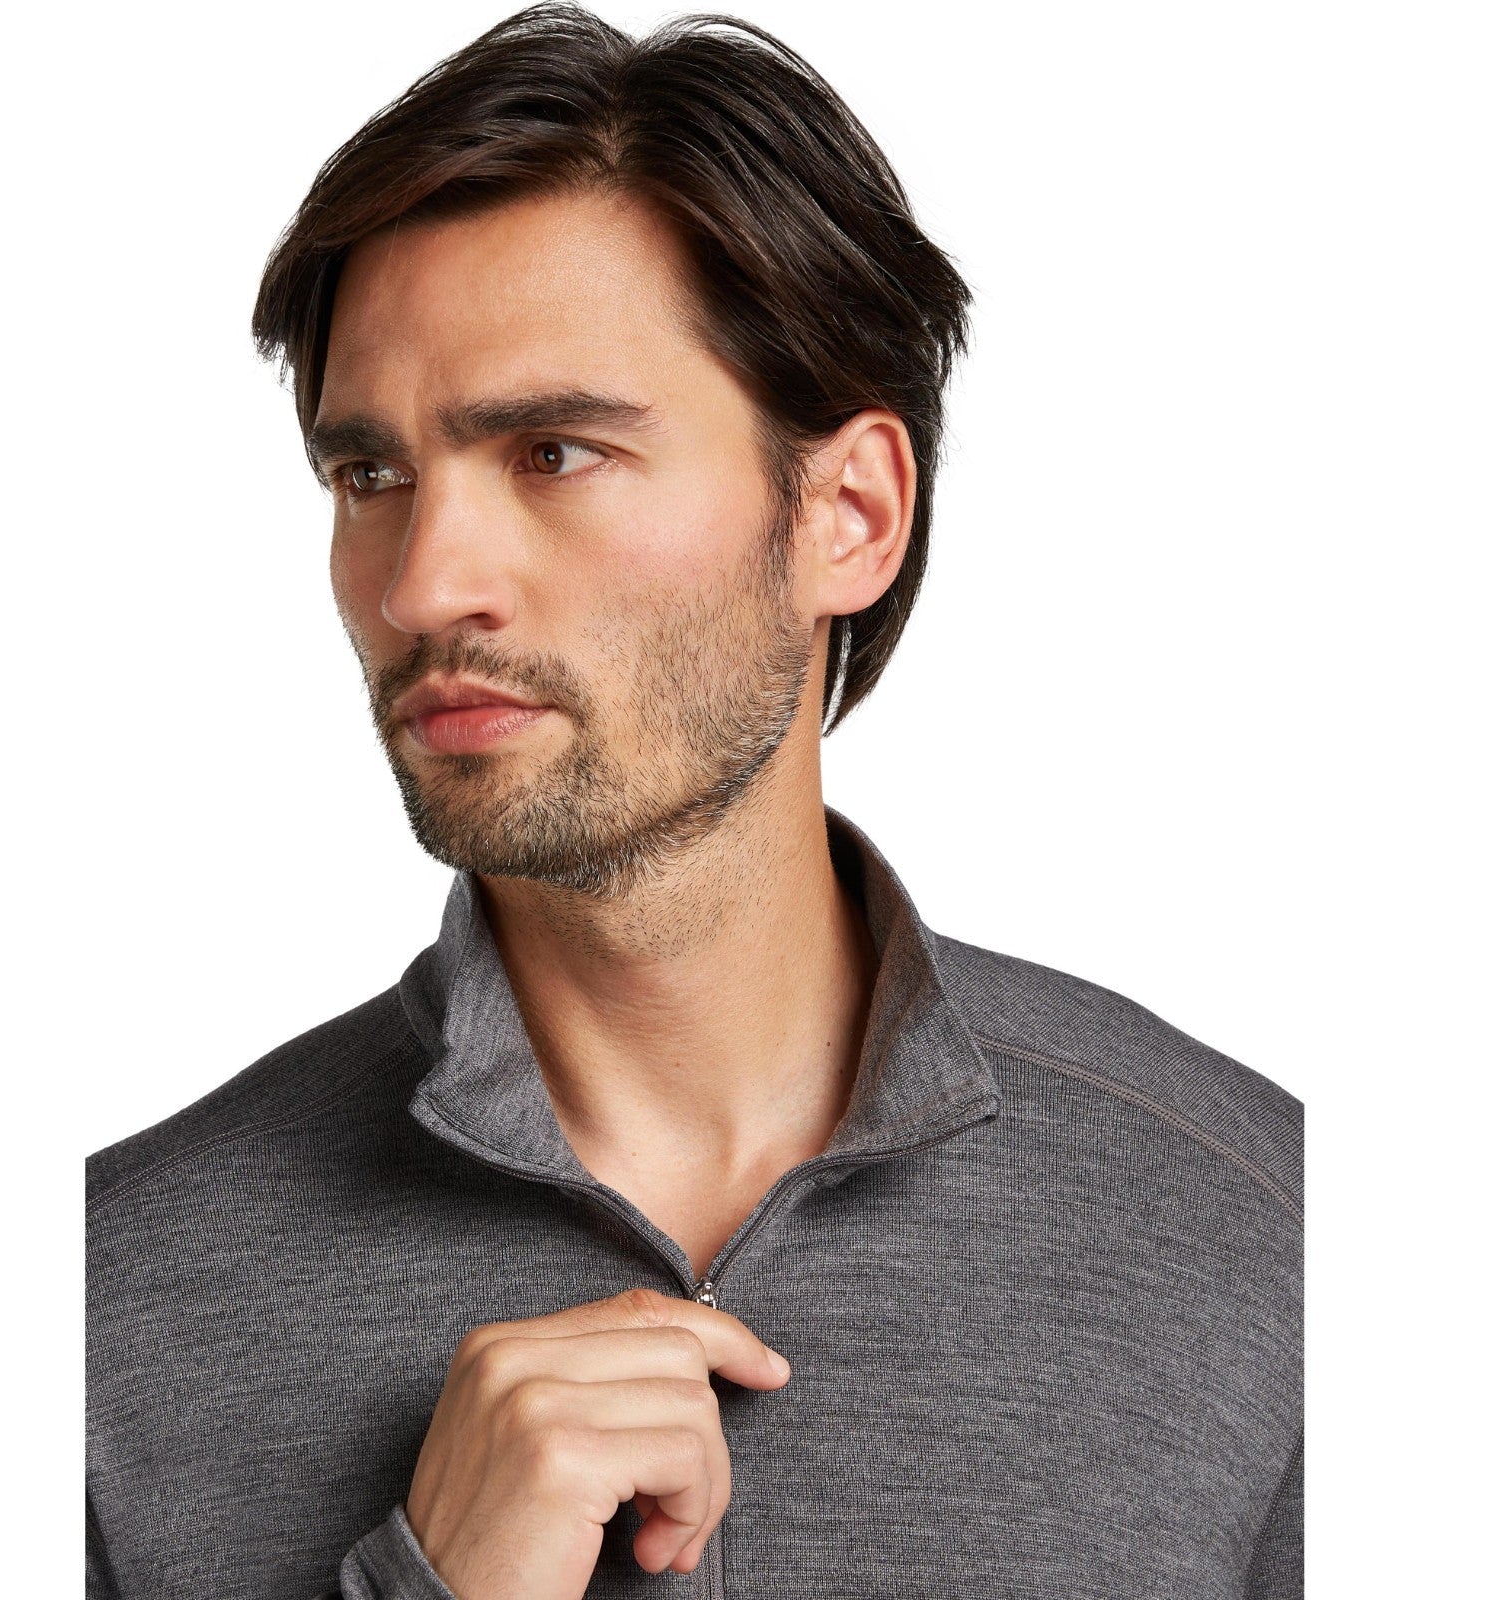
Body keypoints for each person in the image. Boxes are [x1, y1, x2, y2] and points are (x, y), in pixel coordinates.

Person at [85, 6, 1303, 1597]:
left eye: (553, 452)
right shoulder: (93, 1315)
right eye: (369, 477)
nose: (423, 584)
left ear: (848, 513)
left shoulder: (1263, 1231)